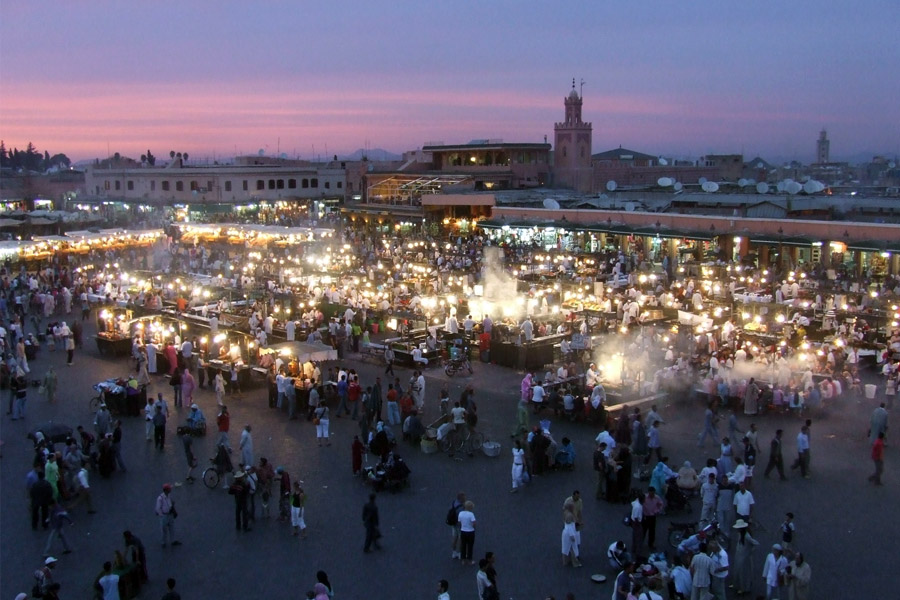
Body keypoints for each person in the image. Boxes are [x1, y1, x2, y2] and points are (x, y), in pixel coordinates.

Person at [731, 519, 759, 595]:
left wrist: (750, 551)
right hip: (739, 555)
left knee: (743, 572)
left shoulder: (747, 536)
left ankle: (744, 588)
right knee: (737, 569)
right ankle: (737, 585)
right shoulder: (740, 534)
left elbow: (755, 543)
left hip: (744, 557)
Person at [155, 483, 181, 547]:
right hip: (164, 515)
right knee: (164, 530)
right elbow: (158, 508)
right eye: (169, 489)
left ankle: (173, 540)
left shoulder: (168, 495)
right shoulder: (160, 498)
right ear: (166, 490)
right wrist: (162, 515)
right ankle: (163, 542)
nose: (170, 490)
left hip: (170, 514)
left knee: (171, 528)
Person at [458, 500, 476, 564]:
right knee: (470, 546)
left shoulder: (460, 513)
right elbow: (474, 523)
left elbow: (459, 522)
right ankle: (470, 560)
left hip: (463, 531)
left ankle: (463, 560)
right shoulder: (471, 514)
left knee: (463, 545)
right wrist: (473, 527)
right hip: (470, 532)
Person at [448, 491, 465, 559]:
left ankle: (454, 552)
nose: (465, 499)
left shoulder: (454, 502)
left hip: (453, 523)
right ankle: (460, 553)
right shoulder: (460, 507)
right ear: (460, 499)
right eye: (463, 498)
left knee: (455, 537)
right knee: (461, 539)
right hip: (459, 525)